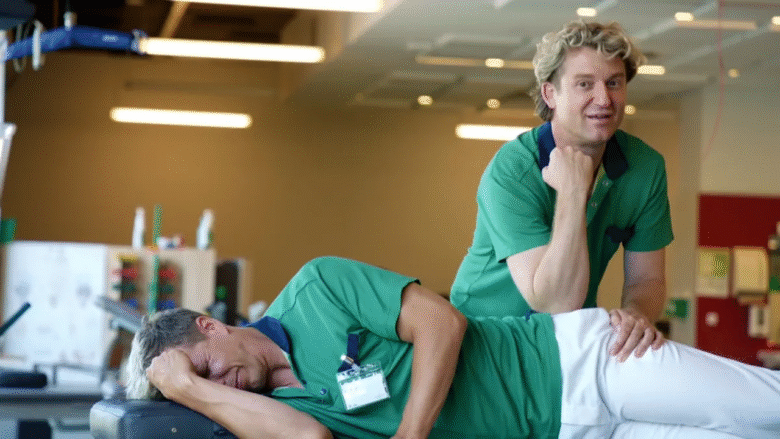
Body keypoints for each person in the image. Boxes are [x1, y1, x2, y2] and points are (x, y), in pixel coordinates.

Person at [127, 256, 780, 439]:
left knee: (766, 409)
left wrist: (410, 436)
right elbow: (309, 437)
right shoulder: (269, 412)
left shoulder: (315, 288)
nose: (222, 384)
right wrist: (188, 387)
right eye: (205, 385)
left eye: (208, 366)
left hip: (584, 366)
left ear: (209, 326)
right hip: (563, 433)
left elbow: (441, 322)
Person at [450, 20, 673, 362]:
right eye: (585, 84)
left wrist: (636, 315)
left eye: (614, 83)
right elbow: (554, 301)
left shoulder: (645, 167)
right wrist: (572, 192)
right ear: (550, 94)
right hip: (481, 335)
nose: (604, 99)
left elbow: (647, 278)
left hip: (564, 337)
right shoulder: (513, 169)